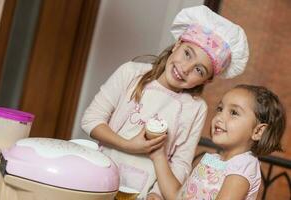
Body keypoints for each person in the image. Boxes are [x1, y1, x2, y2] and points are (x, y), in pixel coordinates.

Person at [81, 5, 249, 199]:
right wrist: (128, 145)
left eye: (199, 70)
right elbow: (90, 120)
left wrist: (157, 195)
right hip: (100, 179)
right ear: (177, 44)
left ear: (207, 80)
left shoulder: (196, 108)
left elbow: (181, 163)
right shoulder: (131, 73)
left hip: (144, 192)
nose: (185, 69)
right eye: (187, 53)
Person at [149, 84, 286, 200]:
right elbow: (178, 196)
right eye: (220, 109)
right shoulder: (214, 160)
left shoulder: (243, 166)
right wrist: (159, 156)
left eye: (233, 112)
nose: (219, 117)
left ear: (258, 131)